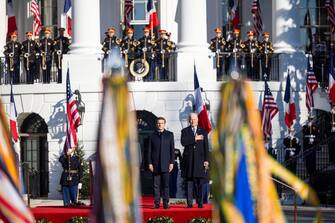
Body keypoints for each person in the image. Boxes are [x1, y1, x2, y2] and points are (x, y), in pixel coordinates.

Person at [181, 113, 209, 208]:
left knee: (199, 184)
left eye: (194, 119)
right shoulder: (185, 131)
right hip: (189, 161)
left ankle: (200, 203)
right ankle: (189, 204)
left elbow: (206, 147)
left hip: (199, 162)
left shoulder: (203, 131)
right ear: (189, 120)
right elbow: (183, 142)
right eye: (191, 119)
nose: (192, 121)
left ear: (197, 120)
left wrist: (206, 160)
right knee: (189, 183)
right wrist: (194, 138)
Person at [147, 117, 175, 209]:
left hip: (166, 164)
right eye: (158, 123)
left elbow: (172, 150)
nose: (160, 124)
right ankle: (157, 203)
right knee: (156, 186)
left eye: (162, 123)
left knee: (166, 185)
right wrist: (150, 163)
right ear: (156, 124)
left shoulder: (170, 135)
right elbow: (149, 151)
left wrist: (172, 163)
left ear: (164, 124)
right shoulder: (152, 136)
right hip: (155, 165)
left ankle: (166, 203)